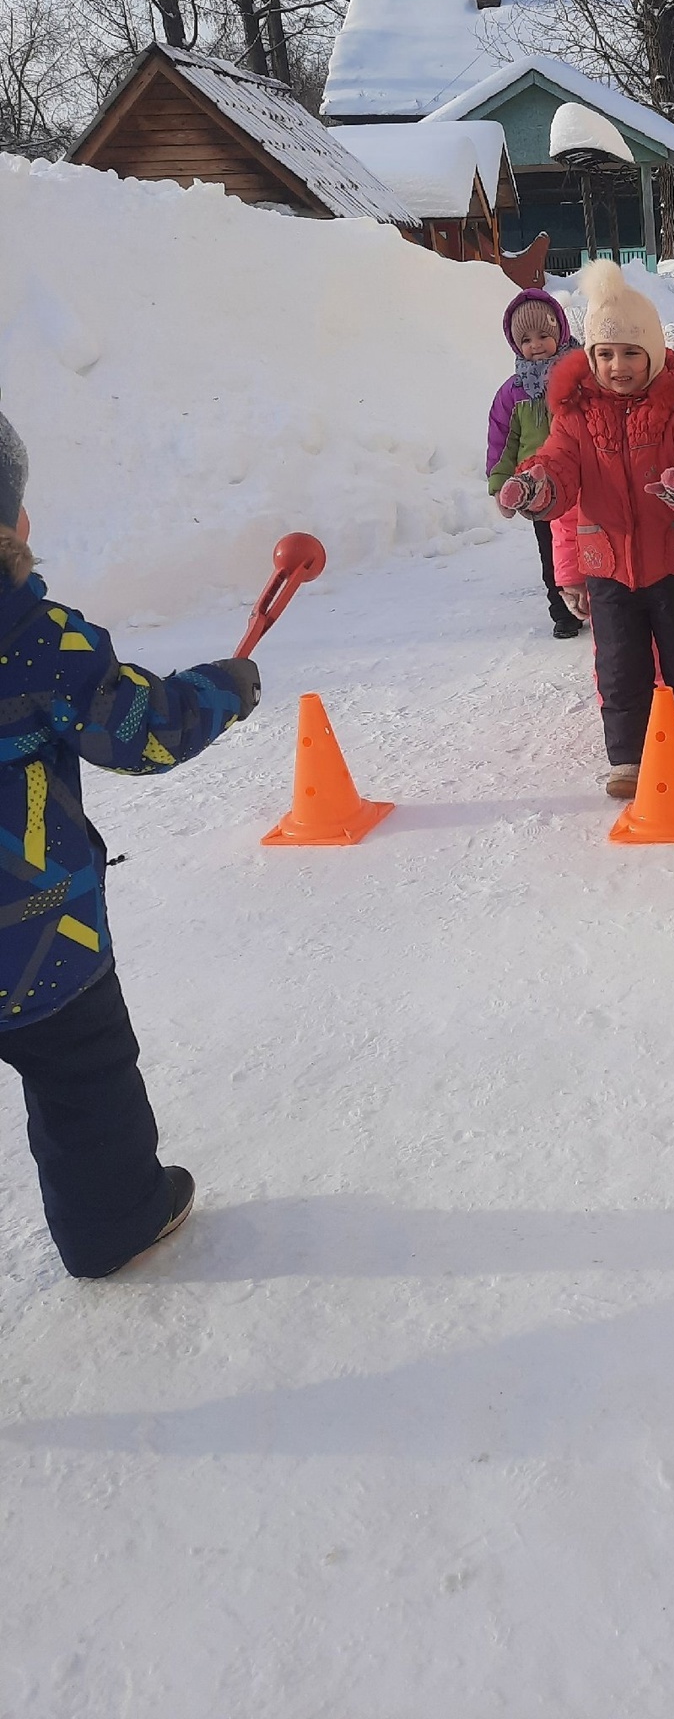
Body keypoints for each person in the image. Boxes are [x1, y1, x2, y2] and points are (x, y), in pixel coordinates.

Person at [0, 405, 260, 1277]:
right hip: (38, 938)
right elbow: (140, 731)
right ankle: (114, 1222)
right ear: (12, 522)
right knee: (85, 1078)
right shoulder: (35, 638)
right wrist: (224, 689)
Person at [497, 261, 674, 798]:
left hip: (671, 562)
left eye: (631, 353)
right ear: (590, 356)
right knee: (619, 667)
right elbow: (557, 465)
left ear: (652, 352)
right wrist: (533, 485)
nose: (617, 366)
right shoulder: (576, 415)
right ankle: (627, 757)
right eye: (605, 354)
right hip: (607, 567)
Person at [486, 287, 584, 638]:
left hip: (584, 481)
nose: (536, 345)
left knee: (590, 542)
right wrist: (500, 484)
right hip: (538, 489)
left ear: (561, 331)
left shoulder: (581, 377)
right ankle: (563, 610)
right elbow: (502, 442)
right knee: (551, 551)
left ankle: (599, 599)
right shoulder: (513, 393)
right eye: (525, 339)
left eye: (544, 335)